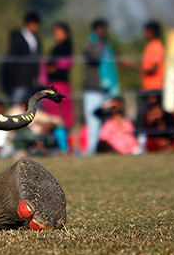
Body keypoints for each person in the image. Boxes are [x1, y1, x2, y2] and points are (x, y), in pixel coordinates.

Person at [81, 18, 120, 155]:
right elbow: (92, 57)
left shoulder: (107, 46)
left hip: (106, 90)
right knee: (92, 120)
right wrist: (98, 44)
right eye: (100, 29)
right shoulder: (90, 44)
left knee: (105, 121)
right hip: (93, 89)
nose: (103, 32)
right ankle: (91, 149)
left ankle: (101, 148)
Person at [1, 11, 42, 106]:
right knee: (16, 105)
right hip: (18, 81)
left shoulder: (36, 40)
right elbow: (12, 60)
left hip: (31, 81)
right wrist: (15, 78)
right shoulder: (17, 38)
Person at [41, 22, 74, 130]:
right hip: (52, 84)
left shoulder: (66, 48)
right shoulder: (55, 49)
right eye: (55, 32)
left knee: (61, 116)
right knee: (52, 116)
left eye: (60, 32)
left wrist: (52, 67)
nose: (57, 35)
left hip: (60, 85)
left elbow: (56, 67)